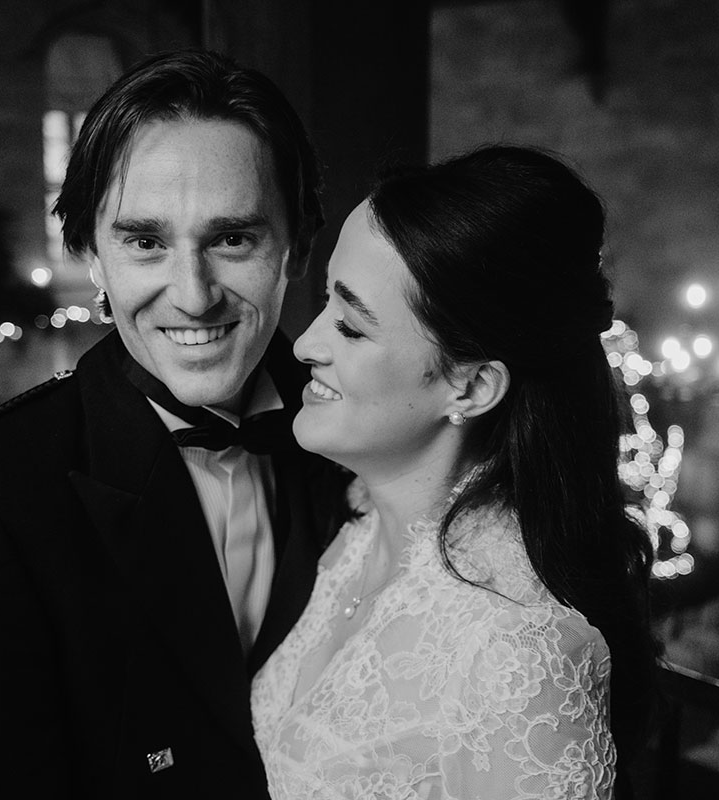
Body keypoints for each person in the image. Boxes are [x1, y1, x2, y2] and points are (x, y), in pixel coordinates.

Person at [0, 49, 347, 798]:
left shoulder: (371, 436)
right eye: (145, 242)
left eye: (233, 239)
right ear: (90, 255)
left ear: (297, 248)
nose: (193, 297)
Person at [251, 145, 658, 799]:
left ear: (470, 386)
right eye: (326, 300)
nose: (305, 343)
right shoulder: (344, 517)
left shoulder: (518, 653)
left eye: (351, 327)